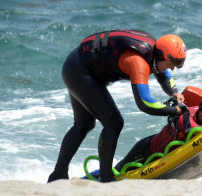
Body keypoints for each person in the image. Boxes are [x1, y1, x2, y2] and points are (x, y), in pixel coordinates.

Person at [48, 30, 188, 183]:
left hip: (79, 66)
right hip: (79, 71)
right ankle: (106, 177)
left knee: (84, 124)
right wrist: (175, 110)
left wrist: (174, 92)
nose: (173, 68)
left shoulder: (156, 51)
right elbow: (145, 102)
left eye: (177, 64)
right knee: (113, 122)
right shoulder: (137, 61)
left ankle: (57, 175)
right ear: (161, 55)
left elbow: (164, 74)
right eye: (173, 63)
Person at [114, 96, 202, 172]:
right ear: (201, 116)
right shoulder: (185, 120)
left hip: (155, 144)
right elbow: (198, 132)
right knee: (117, 172)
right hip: (147, 151)